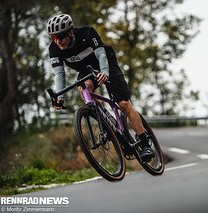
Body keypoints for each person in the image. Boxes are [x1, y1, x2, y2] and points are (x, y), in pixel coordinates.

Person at [46, 14, 154, 159]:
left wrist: (105, 72)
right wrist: (60, 96)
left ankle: (145, 144)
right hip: (87, 70)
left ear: (70, 32)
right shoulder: (54, 49)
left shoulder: (87, 33)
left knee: (123, 103)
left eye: (60, 36)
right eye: (54, 37)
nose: (58, 41)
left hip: (106, 63)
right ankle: (105, 119)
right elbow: (59, 74)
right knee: (84, 90)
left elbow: (101, 55)